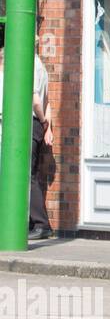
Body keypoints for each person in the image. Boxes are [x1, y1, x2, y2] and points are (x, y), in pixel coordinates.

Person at [0, 34, 54, 240]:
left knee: (26, 175)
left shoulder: (29, 65)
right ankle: (34, 222)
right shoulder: (42, 67)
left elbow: (36, 101)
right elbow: (48, 101)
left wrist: (42, 121)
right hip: (36, 125)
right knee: (28, 174)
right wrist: (47, 128)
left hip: (30, 122)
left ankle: (41, 224)